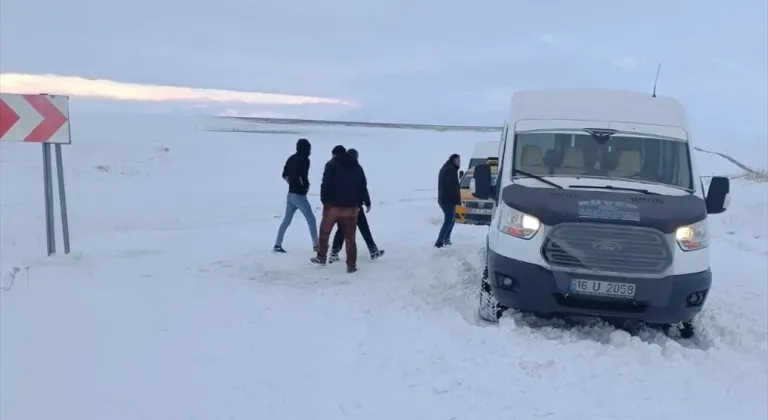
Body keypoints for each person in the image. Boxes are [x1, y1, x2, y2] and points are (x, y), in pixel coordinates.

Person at [311, 145, 369, 273]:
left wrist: (325, 201)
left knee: (324, 233)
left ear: (336, 155)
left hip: (333, 206)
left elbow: (325, 183)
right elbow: (362, 186)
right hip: (351, 208)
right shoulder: (357, 166)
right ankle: (351, 266)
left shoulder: (332, 164)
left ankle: (321, 258)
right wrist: (366, 202)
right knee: (350, 238)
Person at [328, 148, 384, 263]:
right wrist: (367, 202)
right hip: (355, 205)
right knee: (364, 229)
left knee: (342, 230)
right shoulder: (357, 169)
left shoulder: (340, 168)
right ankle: (373, 251)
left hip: (343, 205)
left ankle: (334, 253)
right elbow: (363, 186)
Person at [273, 138, 319, 253]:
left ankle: (278, 244)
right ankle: (316, 245)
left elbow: (284, 175)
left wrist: (292, 183)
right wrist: (304, 187)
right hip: (299, 195)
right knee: (311, 218)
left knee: (286, 220)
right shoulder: (305, 160)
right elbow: (303, 176)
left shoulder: (291, 158)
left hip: (290, 194)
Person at [435, 153, 461, 248]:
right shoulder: (449, 170)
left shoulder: (449, 168)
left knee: (451, 220)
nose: (459, 163)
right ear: (453, 161)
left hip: (447, 199)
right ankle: (439, 242)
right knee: (449, 220)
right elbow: (451, 186)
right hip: (447, 200)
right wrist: (455, 198)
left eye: (459, 161)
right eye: (458, 161)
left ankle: (446, 239)